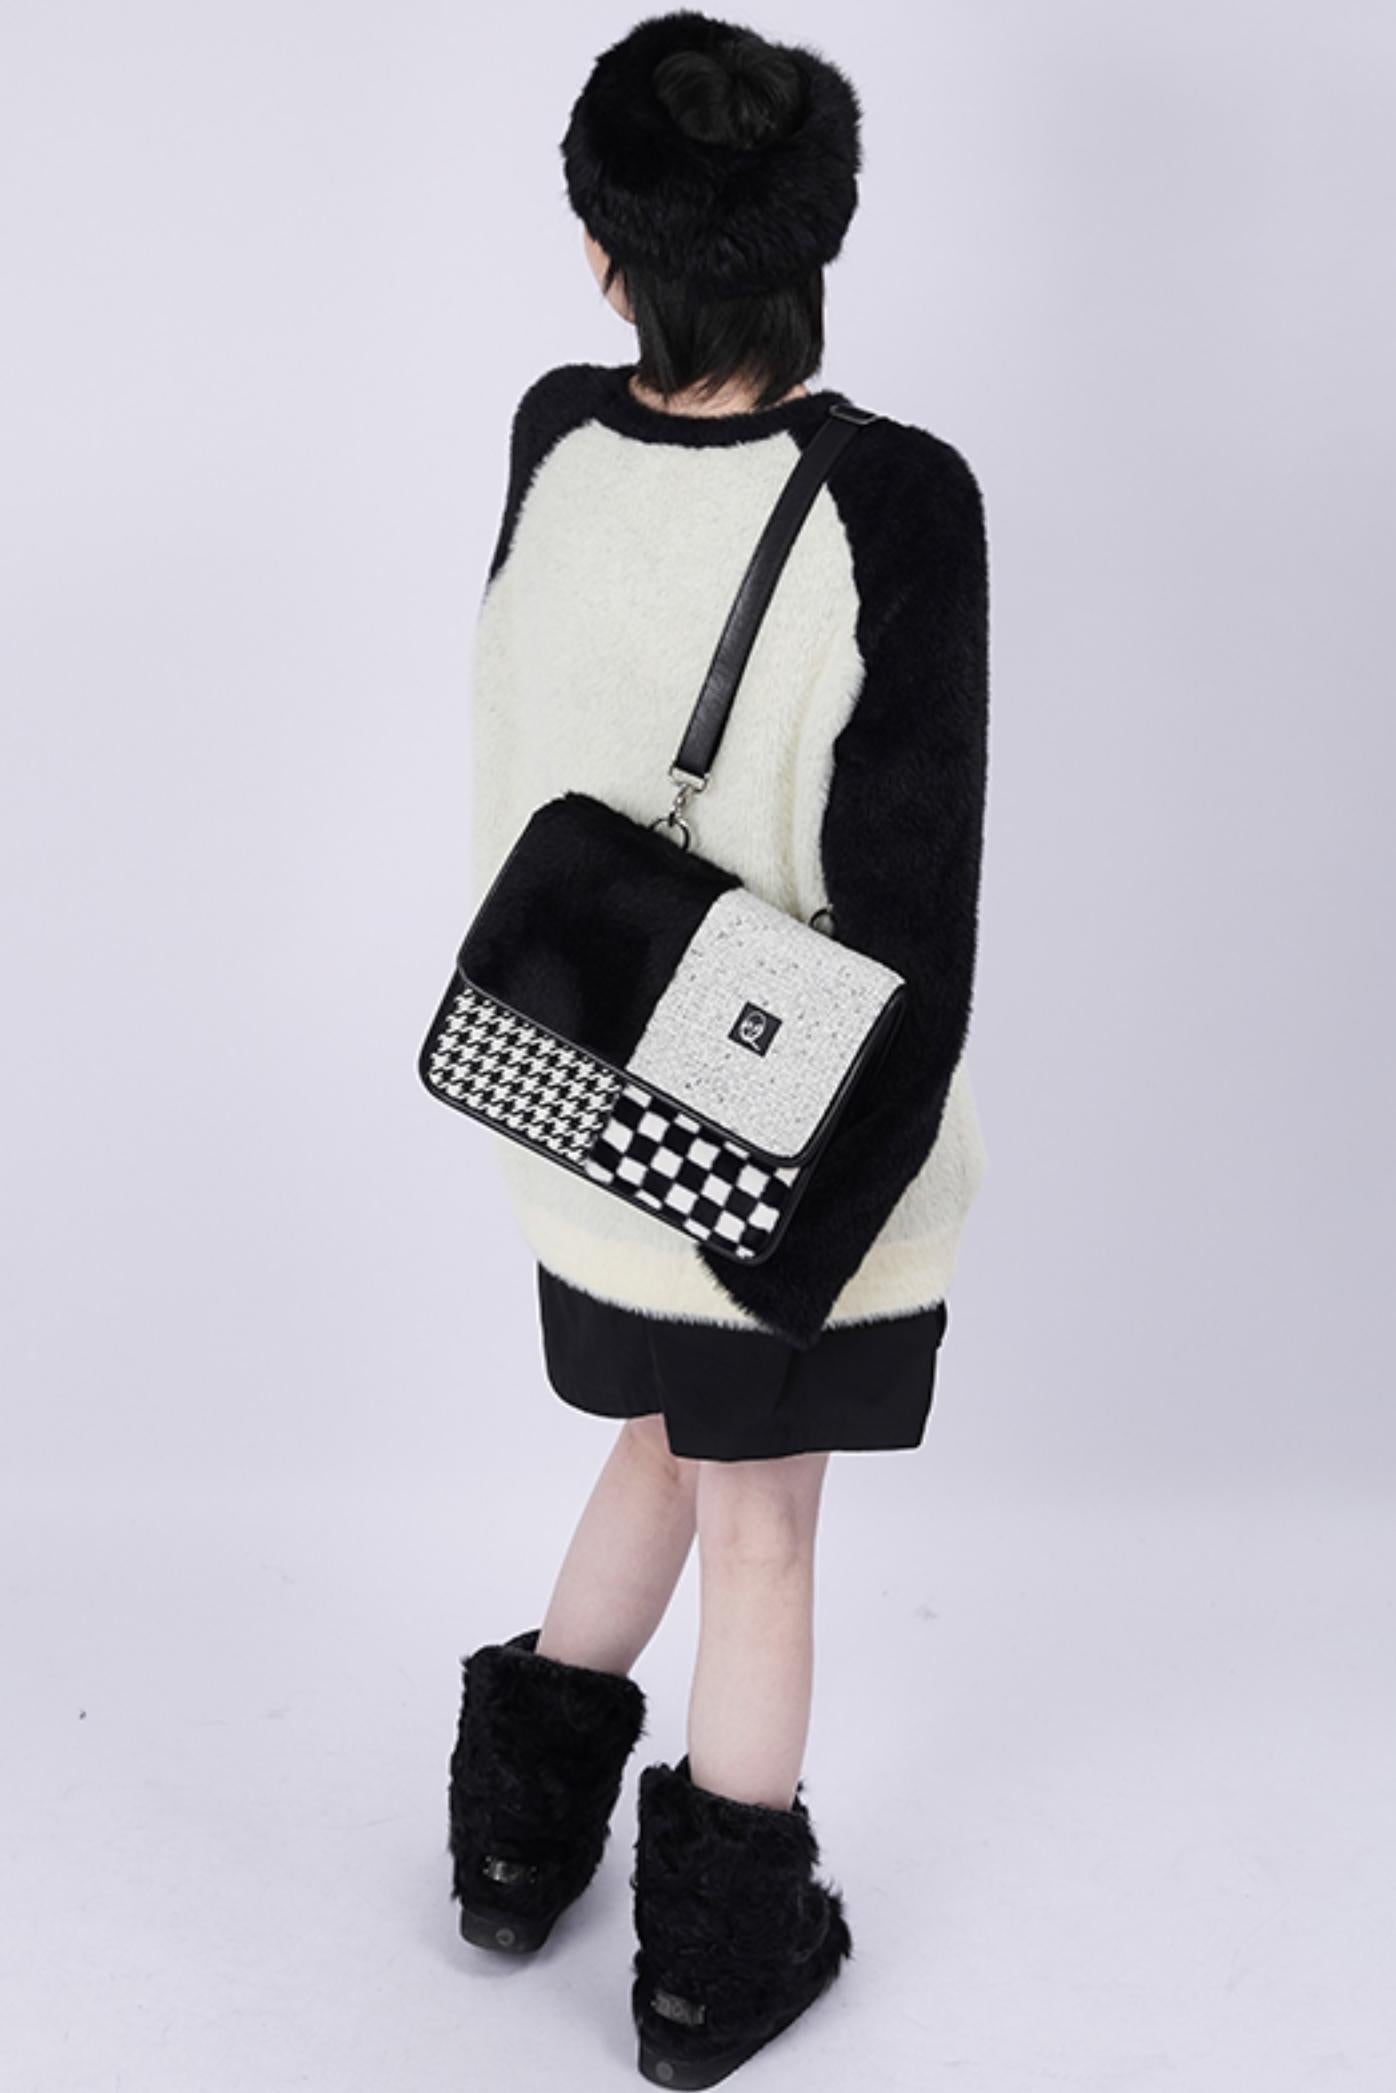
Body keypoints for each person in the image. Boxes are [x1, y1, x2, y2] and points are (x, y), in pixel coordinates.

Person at [442, 12, 991, 2085]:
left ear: (605, 258)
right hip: (778, 1150)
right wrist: (814, 1240)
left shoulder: (550, 441)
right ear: (819, 236)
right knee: (761, 1521)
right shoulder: (895, 500)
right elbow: (913, 915)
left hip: (570, 1101)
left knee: (661, 1448)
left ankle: (514, 1850)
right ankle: (711, 1967)